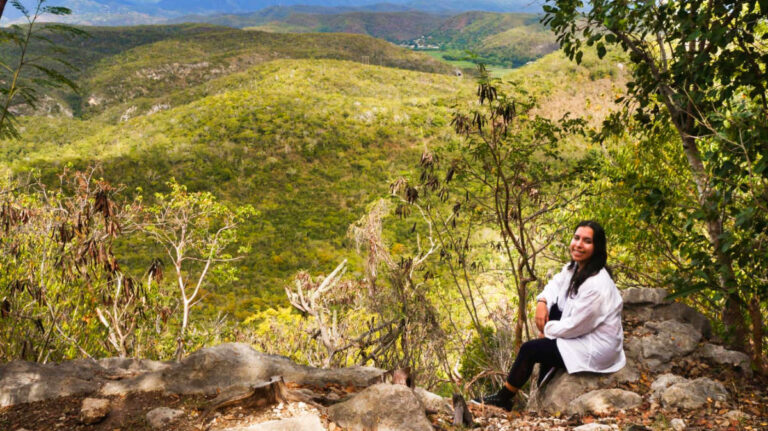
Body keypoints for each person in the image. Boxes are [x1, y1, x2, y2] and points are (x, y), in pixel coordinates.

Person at [474, 220, 626, 411]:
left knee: (530, 350)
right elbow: (555, 284)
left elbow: (575, 327)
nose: (578, 244)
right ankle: (546, 372)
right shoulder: (575, 268)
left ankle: (503, 399)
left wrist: (546, 331)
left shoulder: (597, 285)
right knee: (552, 308)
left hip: (596, 346)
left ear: (597, 248)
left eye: (587, 241)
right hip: (582, 331)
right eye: (576, 238)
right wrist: (542, 301)